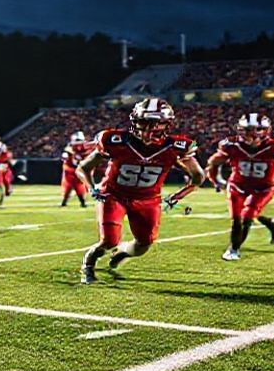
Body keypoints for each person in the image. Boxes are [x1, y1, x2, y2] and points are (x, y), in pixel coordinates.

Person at [76, 98, 204, 282]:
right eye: (143, 122)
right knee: (109, 240)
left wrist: (177, 196)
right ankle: (89, 262)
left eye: (154, 124)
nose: (148, 129)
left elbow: (198, 177)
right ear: (134, 121)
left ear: (166, 124)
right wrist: (92, 188)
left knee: (144, 244)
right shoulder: (115, 140)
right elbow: (83, 168)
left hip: (148, 200)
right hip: (114, 195)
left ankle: (122, 254)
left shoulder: (176, 147)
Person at [206, 114, 274, 261]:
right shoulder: (232, 146)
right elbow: (212, 164)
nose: (251, 134)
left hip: (263, 188)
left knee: (247, 217)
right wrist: (216, 181)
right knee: (236, 219)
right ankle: (237, 246)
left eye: (256, 130)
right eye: (247, 130)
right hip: (238, 185)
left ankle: (235, 248)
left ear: (265, 131)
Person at [60, 131, 92, 207]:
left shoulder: (85, 148)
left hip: (78, 169)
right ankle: (65, 202)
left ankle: (82, 202)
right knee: (69, 186)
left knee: (79, 186)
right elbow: (65, 154)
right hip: (70, 169)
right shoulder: (70, 149)